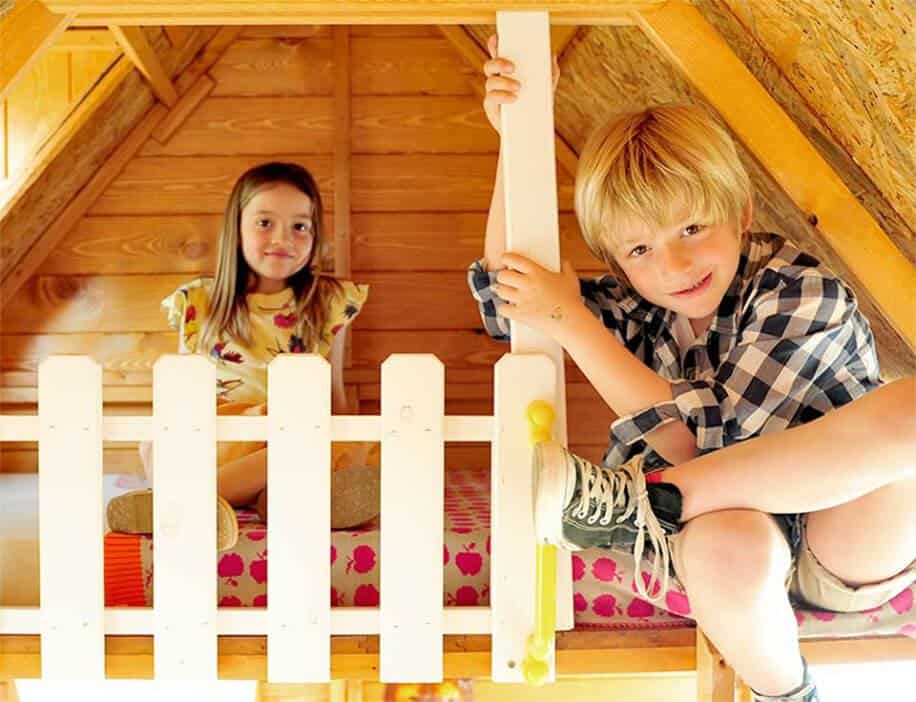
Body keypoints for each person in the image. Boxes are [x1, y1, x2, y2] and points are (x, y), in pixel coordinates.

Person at [469, 35, 916, 701]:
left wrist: (574, 324)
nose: (673, 268)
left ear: (740, 214)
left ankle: (640, 505)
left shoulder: (798, 289)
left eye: (691, 231)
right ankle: (789, 695)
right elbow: (516, 293)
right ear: (619, 263)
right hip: (724, 543)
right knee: (720, 545)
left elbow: (715, 442)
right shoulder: (635, 308)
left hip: (840, 539)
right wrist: (517, 132)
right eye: (642, 249)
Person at [108, 161, 380, 551]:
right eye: (265, 222)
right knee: (178, 448)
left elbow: (333, 391)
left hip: (298, 433)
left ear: (315, 234)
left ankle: (227, 499)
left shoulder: (330, 301)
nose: (282, 238)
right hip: (224, 438)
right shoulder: (198, 303)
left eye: (300, 226)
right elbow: (182, 394)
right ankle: (236, 495)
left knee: (323, 451)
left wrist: (346, 443)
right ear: (236, 230)